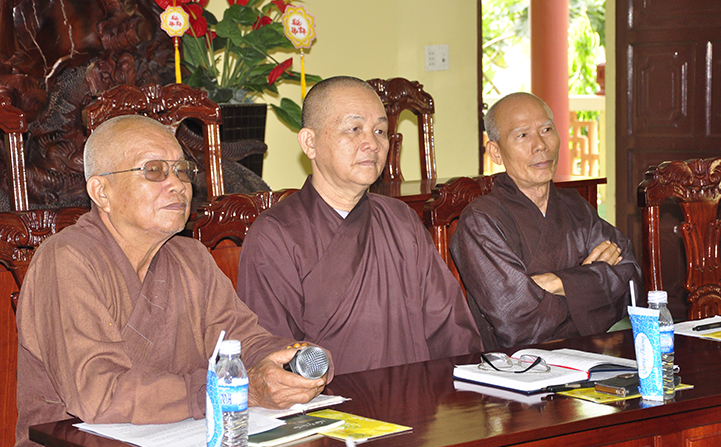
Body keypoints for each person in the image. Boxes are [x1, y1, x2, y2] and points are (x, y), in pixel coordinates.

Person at [8, 115, 330, 447]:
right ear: (101, 192)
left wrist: (294, 361)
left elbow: (244, 342)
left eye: (181, 171)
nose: (177, 184)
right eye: (154, 171)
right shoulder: (67, 259)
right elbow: (100, 394)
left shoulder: (191, 258)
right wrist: (231, 390)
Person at [236, 76, 482, 375]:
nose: (372, 144)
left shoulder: (401, 219)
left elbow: (450, 326)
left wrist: (470, 382)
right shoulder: (276, 234)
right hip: (331, 403)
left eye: (380, 131)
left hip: (418, 394)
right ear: (310, 142)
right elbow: (272, 355)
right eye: (354, 129)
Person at [450, 92, 642, 350]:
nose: (540, 145)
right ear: (495, 152)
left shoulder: (575, 207)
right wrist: (589, 288)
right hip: (516, 364)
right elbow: (518, 325)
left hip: (589, 354)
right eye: (523, 135)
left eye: (547, 130)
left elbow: (631, 282)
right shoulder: (481, 221)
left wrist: (556, 283)